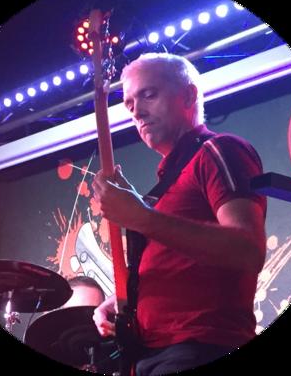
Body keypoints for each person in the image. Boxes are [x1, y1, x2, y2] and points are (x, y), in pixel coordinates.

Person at [92, 53, 267, 375]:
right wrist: (122, 302)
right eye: (129, 104)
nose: (136, 111)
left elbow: (248, 250)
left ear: (188, 95)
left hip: (199, 347)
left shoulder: (218, 149)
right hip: (152, 353)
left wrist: (142, 217)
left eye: (148, 94)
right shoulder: (168, 181)